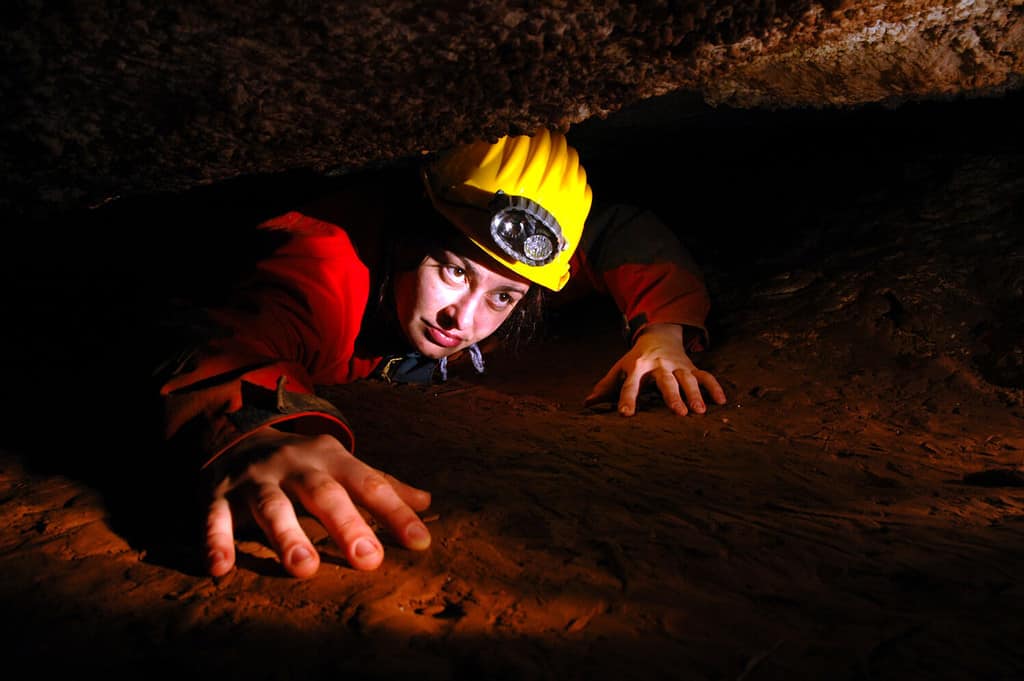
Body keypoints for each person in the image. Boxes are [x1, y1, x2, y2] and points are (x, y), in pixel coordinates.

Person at [155, 129, 727, 580]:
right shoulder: (329, 269)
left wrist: (663, 331)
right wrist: (258, 434)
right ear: (410, 232)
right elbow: (219, 340)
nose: (464, 319)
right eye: (454, 271)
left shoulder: (522, 260)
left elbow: (617, 230)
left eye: (503, 296)